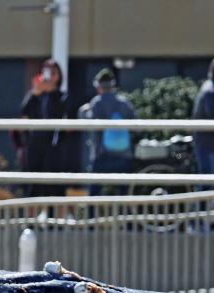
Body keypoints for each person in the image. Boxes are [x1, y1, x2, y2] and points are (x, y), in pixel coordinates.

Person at [15, 59, 72, 197]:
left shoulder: (62, 96)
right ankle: (31, 219)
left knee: (55, 187)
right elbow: (23, 113)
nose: (49, 76)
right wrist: (35, 93)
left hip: (54, 146)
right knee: (33, 187)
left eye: (53, 73)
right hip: (34, 144)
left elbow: (64, 115)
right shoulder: (34, 95)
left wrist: (51, 91)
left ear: (59, 76)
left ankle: (56, 218)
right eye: (46, 72)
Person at [81, 68, 136, 196]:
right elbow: (135, 124)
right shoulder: (124, 103)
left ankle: (92, 216)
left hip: (101, 155)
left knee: (94, 193)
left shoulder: (96, 103)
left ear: (98, 86)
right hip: (123, 155)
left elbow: (88, 122)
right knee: (124, 194)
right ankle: (123, 215)